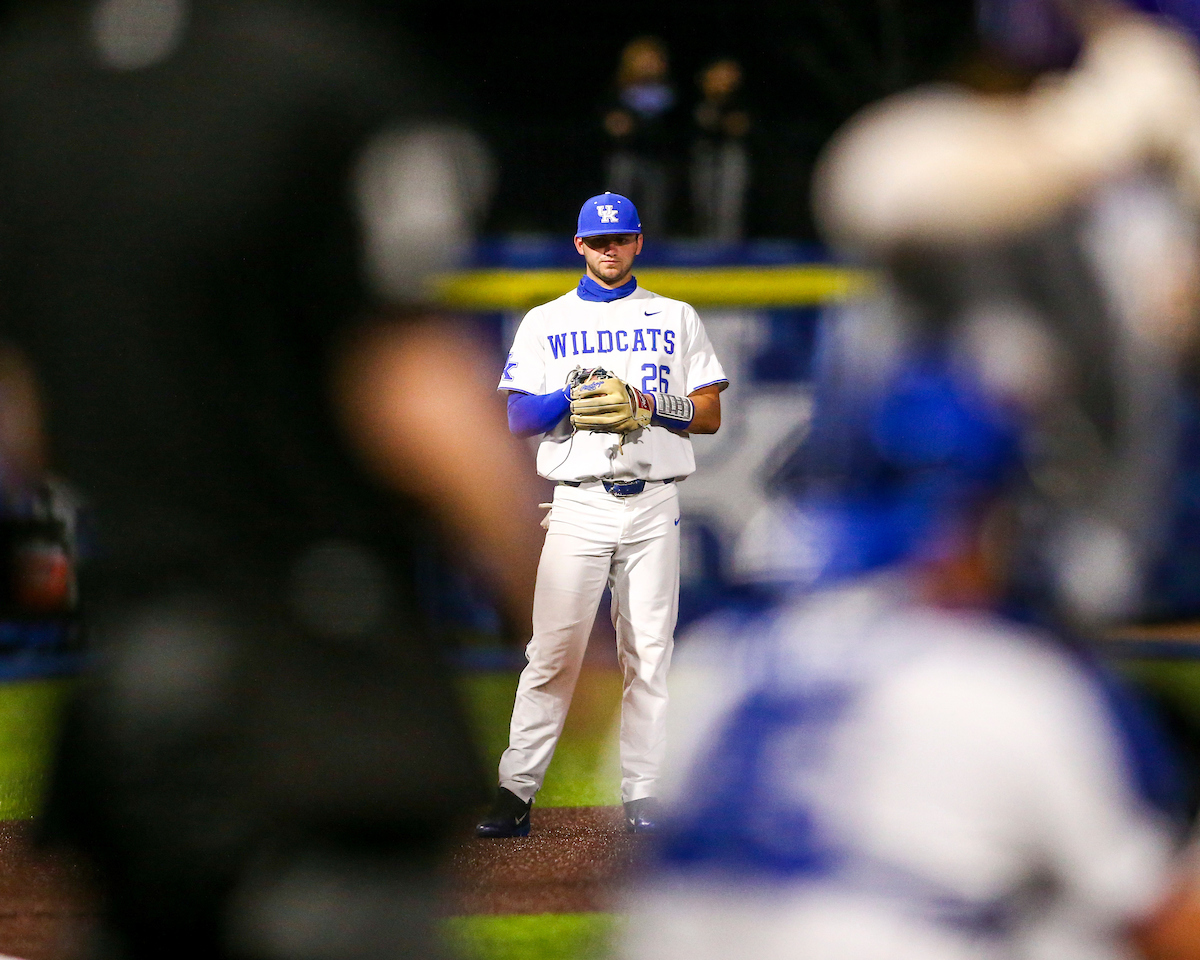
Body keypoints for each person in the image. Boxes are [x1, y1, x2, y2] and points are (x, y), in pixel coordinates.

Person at [0, 1, 543, 958]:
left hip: (130, 683)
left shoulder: (33, 89)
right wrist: (548, 597)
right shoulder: (323, 74)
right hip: (325, 679)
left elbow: (29, 412)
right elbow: (404, 381)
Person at [475, 191, 728, 838]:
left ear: (638, 242)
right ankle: (515, 791)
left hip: (655, 501)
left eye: (620, 239)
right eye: (598, 240)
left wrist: (648, 404)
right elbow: (517, 417)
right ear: (579, 246)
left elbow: (708, 414)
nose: (609, 249)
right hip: (578, 502)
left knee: (650, 653)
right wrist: (569, 395)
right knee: (552, 652)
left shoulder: (675, 316)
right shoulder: (546, 321)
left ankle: (644, 791)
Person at [603, 38, 680, 237]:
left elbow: (676, 129)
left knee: (654, 214)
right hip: (627, 157)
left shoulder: (670, 93)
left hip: (659, 161)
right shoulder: (619, 91)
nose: (648, 64)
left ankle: (652, 250)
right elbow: (607, 123)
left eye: (653, 59)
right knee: (620, 209)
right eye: (642, 59)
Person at [690, 58, 752, 242]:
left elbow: (740, 127)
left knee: (729, 209)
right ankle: (707, 248)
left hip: (730, 155)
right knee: (704, 207)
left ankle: (728, 250)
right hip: (704, 156)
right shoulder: (697, 101)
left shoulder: (740, 102)